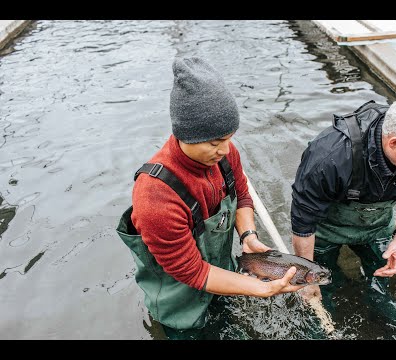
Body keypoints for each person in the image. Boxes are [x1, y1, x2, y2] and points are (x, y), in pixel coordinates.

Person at [116, 57, 303, 340]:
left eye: (229, 138)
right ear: (185, 136)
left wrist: (248, 235)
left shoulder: (226, 155)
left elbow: (242, 195)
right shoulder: (155, 196)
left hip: (221, 273)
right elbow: (190, 272)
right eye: (215, 143)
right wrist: (261, 288)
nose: (226, 150)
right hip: (180, 301)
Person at [290, 91, 396, 330]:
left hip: (378, 225)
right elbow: (303, 221)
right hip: (326, 229)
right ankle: (325, 310)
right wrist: (307, 277)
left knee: (381, 275)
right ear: (395, 143)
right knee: (322, 284)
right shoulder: (330, 157)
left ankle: (379, 300)